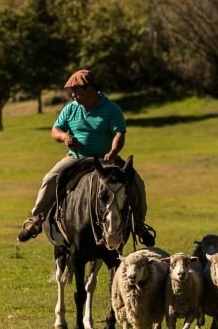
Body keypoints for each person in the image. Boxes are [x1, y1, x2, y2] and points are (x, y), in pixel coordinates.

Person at [17, 69, 155, 246]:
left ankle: (139, 225)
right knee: (51, 178)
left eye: (76, 91)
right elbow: (55, 130)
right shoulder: (71, 109)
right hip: (77, 158)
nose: (73, 95)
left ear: (89, 88)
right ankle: (36, 220)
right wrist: (65, 137)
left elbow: (119, 134)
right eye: (71, 92)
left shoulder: (111, 109)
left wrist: (113, 151)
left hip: (107, 160)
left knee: (136, 182)